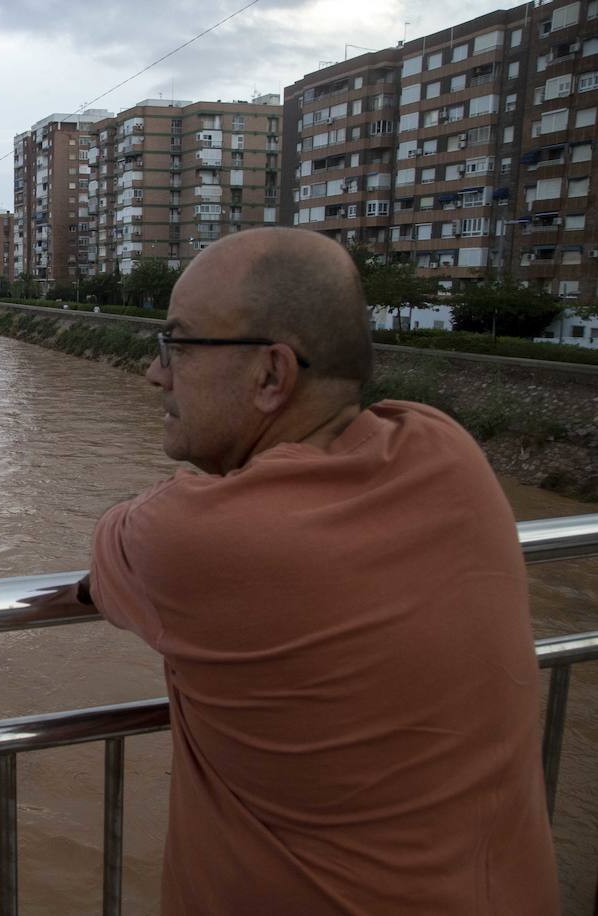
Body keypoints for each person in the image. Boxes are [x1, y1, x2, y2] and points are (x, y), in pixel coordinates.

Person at [68, 227, 557, 913]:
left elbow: (119, 539)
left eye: (176, 344)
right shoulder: (447, 449)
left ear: (271, 374)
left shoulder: (197, 538)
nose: (156, 373)